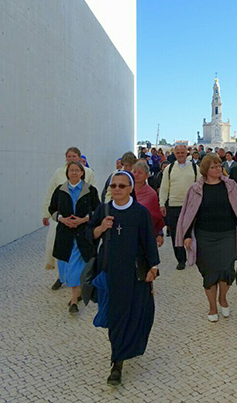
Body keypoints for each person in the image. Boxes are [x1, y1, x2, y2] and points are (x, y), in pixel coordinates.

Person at [85, 171, 160, 385]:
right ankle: (116, 363)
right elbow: (88, 234)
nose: (117, 189)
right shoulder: (104, 210)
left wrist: (153, 268)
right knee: (117, 317)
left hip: (135, 273)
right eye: (113, 186)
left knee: (137, 314)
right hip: (111, 273)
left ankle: (128, 348)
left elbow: (148, 242)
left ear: (130, 189)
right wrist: (100, 228)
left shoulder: (140, 213)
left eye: (122, 186)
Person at [176, 154, 237, 321]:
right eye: (213, 167)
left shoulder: (231, 186)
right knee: (209, 273)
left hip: (226, 235)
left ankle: (223, 298)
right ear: (205, 170)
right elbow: (189, 214)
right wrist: (187, 235)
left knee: (226, 269)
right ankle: (212, 307)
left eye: (219, 166)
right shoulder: (196, 189)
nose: (217, 169)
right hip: (205, 236)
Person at [42, 147, 97, 290]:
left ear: (79, 158)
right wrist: (47, 214)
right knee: (59, 249)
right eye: (69, 156)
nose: (71, 158)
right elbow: (51, 194)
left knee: (78, 251)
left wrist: (85, 218)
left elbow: (93, 199)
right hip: (62, 220)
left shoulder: (89, 173)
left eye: (74, 156)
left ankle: (78, 283)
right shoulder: (58, 173)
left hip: (81, 220)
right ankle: (61, 277)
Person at [48, 161, 100, 313]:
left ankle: (73, 300)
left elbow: (97, 210)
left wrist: (83, 220)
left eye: (77, 170)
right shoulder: (60, 190)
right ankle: (76, 294)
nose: (74, 173)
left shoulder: (90, 190)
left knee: (75, 266)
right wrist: (62, 219)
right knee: (66, 266)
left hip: (82, 235)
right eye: (71, 170)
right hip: (65, 235)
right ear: (67, 172)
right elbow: (52, 209)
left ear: (82, 172)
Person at [159, 144, 199, 270]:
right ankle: (180, 259)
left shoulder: (194, 167)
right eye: (178, 153)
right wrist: (162, 203)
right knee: (177, 233)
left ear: (187, 153)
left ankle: (194, 255)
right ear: (175, 154)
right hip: (174, 205)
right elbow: (164, 187)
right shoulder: (169, 169)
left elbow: (199, 186)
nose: (181, 155)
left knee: (193, 232)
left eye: (183, 152)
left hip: (191, 206)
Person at [132, 161, 165, 248]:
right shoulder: (125, 190)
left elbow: (156, 216)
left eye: (140, 172)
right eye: (134, 172)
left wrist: (159, 234)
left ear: (146, 175)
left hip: (145, 233)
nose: (136, 174)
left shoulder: (151, 194)